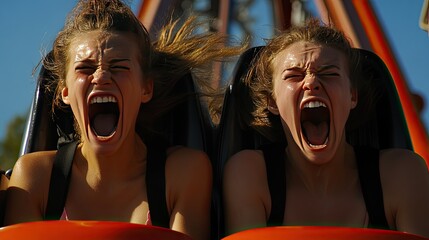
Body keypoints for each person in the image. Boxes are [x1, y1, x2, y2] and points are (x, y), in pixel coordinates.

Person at [4, 1, 244, 240]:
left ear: (145, 89)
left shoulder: (183, 174)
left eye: (118, 67)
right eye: (85, 69)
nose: (101, 76)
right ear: (64, 92)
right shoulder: (35, 179)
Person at [222, 19, 429, 238]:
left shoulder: (401, 174)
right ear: (272, 101)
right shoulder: (251, 174)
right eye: (294, 75)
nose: (311, 82)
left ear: (352, 95)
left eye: (329, 73)